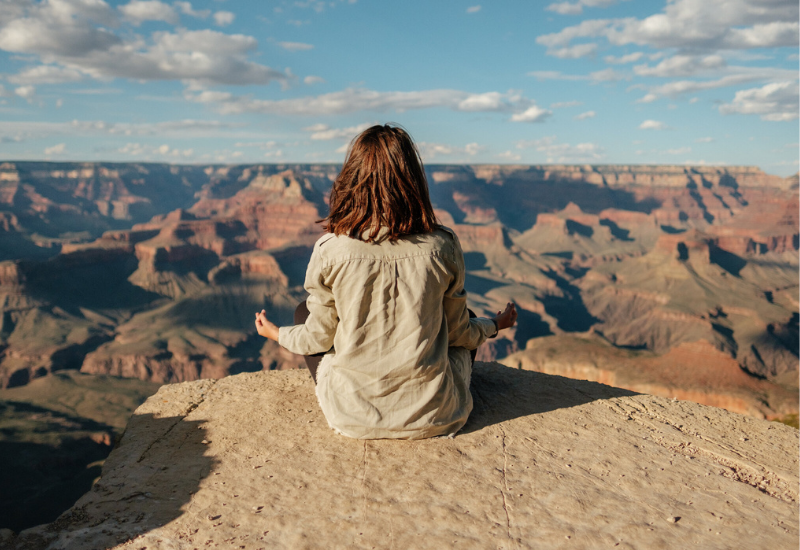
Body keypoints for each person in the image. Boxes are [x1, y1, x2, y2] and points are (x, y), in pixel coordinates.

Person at [255, 124, 517, 439]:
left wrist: (276, 334)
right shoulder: (442, 245)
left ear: (351, 180)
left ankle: (357, 401)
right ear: (413, 180)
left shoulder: (331, 249)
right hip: (437, 416)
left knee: (303, 314)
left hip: (351, 418)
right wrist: (494, 324)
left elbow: (318, 339)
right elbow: (460, 334)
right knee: (468, 318)